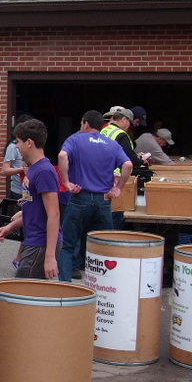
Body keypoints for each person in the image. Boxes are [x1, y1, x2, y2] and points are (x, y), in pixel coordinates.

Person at [57, 110, 132, 282]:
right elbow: (127, 165)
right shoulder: (111, 144)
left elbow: (62, 156)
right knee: (103, 246)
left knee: (68, 245)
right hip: (102, 202)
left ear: (85, 123)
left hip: (79, 199)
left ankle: (65, 287)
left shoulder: (75, 139)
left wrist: (67, 182)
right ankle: (104, 287)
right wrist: (118, 188)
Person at [0, 119, 61, 280]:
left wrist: (50, 256)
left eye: (19, 142)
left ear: (29, 143)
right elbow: (33, 210)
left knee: (23, 296)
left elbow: (54, 214)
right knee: (28, 296)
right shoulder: (33, 169)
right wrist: (10, 227)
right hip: (32, 241)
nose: (16, 146)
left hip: (40, 244)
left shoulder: (44, 171)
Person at [0, 115, 32, 201]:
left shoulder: (32, 144)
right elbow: (4, 170)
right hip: (19, 191)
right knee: (21, 213)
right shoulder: (13, 147)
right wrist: (21, 169)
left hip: (32, 190)